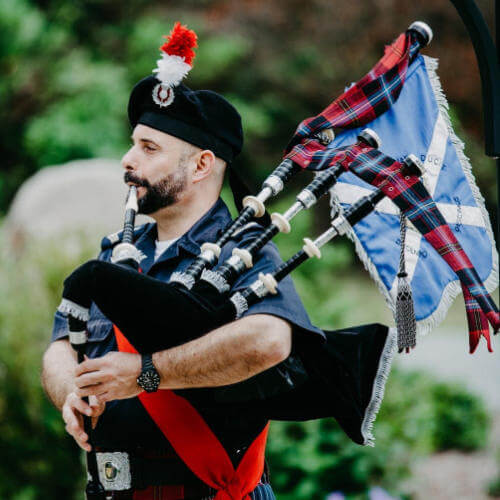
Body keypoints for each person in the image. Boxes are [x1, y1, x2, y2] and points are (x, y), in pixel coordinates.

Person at [41, 23, 324, 500]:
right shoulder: (117, 251)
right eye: (133, 143)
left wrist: (147, 373)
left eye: (149, 149)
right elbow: (59, 346)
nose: (128, 160)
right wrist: (70, 389)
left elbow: (271, 340)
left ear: (200, 166)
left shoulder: (245, 250)